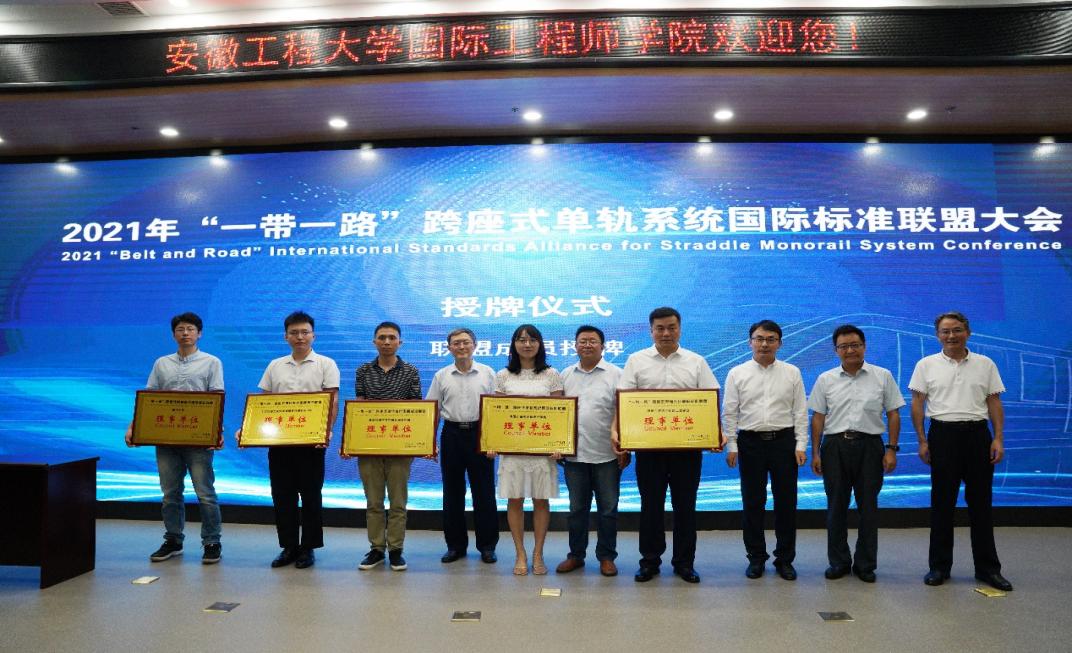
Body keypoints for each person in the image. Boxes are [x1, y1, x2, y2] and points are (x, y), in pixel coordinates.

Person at [615, 307, 721, 584]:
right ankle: (649, 562)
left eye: (671, 327)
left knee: (685, 507)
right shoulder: (636, 360)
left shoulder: (696, 361)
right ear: (651, 331)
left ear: (680, 329)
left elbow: (710, 400)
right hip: (649, 450)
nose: (666, 333)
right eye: (660, 328)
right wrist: (620, 435)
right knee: (651, 507)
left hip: (687, 451)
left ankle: (684, 563)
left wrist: (715, 433)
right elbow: (624, 401)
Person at [909, 311, 1012, 591]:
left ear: (968, 332)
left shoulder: (985, 364)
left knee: (981, 505)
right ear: (937, 335)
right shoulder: (926, 365)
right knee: (942, 504)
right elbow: (918, 404)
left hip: (978, 436)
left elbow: (994, 403)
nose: (951, 336)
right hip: (942, 436)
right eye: (945, 331)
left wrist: (998, 438)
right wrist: (922, 440)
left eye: (956, 330)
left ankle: (988, 569)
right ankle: (939, 567)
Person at [808, 324, 905, 583]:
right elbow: (818, 417)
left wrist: (891, 449)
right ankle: (839, 562)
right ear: (836, 350)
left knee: (868, 507)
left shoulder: (882, 376)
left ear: (864, 346)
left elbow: (894, 413)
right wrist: (815, 452)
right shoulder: (825, 379)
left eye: (855, 345)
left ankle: (865, 564)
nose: (850, 350)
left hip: (870, 447)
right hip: (834, 447)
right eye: (844, 346)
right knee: (836, 507)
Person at [127, 312, 224, 564]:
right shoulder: (162, 363)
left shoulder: (212, 362)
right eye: (180, 329)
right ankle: (173, 540)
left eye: (190, 329)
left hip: (198, 440)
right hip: (166, 439)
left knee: (205, 493)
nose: (185, 333)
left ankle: (212, 541)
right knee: (170, 493)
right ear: (173, 334)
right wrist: (134, 427)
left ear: (199, 333)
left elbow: (217, 398)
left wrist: (217, 432)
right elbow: (149, 399)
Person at [723, 319, 807, 581]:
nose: (764, 344)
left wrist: (801, 444)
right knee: (752, 503)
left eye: (771, 339)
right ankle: (756, 558)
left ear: (779, 343)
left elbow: (800, 411)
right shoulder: (737, 373)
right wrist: (732, 445)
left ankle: (785, 559)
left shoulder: (792, 372)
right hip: (750, 443)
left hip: (784, 443)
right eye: (759, 339)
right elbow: (730, 412)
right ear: (750, 342)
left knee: (786, 503)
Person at [256, 311, 340, 570]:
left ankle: (309, 547)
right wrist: (251, 430)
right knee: (282, 495)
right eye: (294, 333)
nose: (300, 337)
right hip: (280, 443)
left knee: (311, 495)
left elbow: (332, 401)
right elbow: (264, 404)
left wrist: (326, 432)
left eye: (305, 332)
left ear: (313, 335)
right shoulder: (275, 365)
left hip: (311, 443)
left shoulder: (326, 364)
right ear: (286, 336)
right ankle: (289, 546)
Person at [489, 324, 564, 576]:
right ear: (514, 345)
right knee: (515, 499)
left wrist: (559, 445)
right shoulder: (503, 376)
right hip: (513, 451)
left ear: (540, 344)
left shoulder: (552, 375)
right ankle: (520, 553)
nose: (527, 344)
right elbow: (497, 416)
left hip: (542, 451)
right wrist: (492, 443)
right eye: (521, 340)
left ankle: (538, 553)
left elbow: (559, 415)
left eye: (532, 339)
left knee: (541, 500)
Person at [556, 325, 626, 577]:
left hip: (607, 455)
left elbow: (625, 412)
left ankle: (606, 557)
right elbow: (557, 414)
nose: (587, 345)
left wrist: (625, 447)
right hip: (575, 456)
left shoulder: (617, 374)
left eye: (592, 341)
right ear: (575, 346)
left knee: (608, 510)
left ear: (602, 346)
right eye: (582, 341)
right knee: (577, 510)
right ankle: (576, 555)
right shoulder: (565, 375)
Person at [352, 321, 422, 572]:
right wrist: (352, 442)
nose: (387, 342)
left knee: (398, 502)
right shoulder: (363, 371)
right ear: (374, 341)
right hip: (369, 447)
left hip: (399, 448)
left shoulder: (411, 371)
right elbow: (359, 407)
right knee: (373, 502)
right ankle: (376, 548)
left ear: (400, 342)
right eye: (382, 337)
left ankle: (396, 550)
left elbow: (416, 410)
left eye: (392, 337)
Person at [426, 327, 499, 565]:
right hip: (452, 434)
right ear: (449, 348)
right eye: (456, 343)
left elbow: (497, 410)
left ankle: (487, 546)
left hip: (480, 435)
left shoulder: (488, 373)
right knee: (452, 493)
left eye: (466, 342)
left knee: (484, 493)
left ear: (474, 346)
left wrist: (494, 441)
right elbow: (432, 410)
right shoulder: (442, 375)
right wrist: (429, 442)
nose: (461, 346)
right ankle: (455, 546)